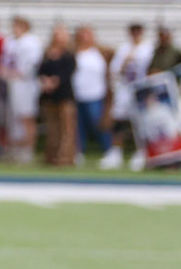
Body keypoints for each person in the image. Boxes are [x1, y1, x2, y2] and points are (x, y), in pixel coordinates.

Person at [107, 23, 154, 169]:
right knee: (119, 120)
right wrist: (125, 63)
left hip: (141, 89)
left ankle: (141, 152)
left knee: (140, 122)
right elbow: (114, 69)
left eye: (138, 31)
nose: (135, 34)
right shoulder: (124, 48)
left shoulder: (148, 48)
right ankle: (116, 152)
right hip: (124, 88)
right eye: (133, 31)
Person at [1, 16, 43, 164]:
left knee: (26, 117)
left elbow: (32, 64)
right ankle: (15, 149)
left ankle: (28, 149)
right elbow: (5, 60)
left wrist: (19, 73)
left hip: (25, 84)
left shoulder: (32, 41)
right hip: (11, 84)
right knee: (13, 119)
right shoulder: (10, 41)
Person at [37, 26, 79, 167]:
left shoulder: (69, 54)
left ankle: (65, 157)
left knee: (67, 129)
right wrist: (45, 81)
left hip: (64, 95)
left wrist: (55, 81)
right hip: (49, 96)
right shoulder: (47, 54)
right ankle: (51, 156)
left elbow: (68, 72)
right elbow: (40, 70)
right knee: (52, 128)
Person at [72, 24, 112, 166]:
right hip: (77, 94)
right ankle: (78, 152)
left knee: (98, 123)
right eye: (82, 34)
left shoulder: (100, 52)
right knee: (78, 126)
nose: (85, 37)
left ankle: (108, 150)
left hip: (95, 94)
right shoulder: (74, 51)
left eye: (87, 34)